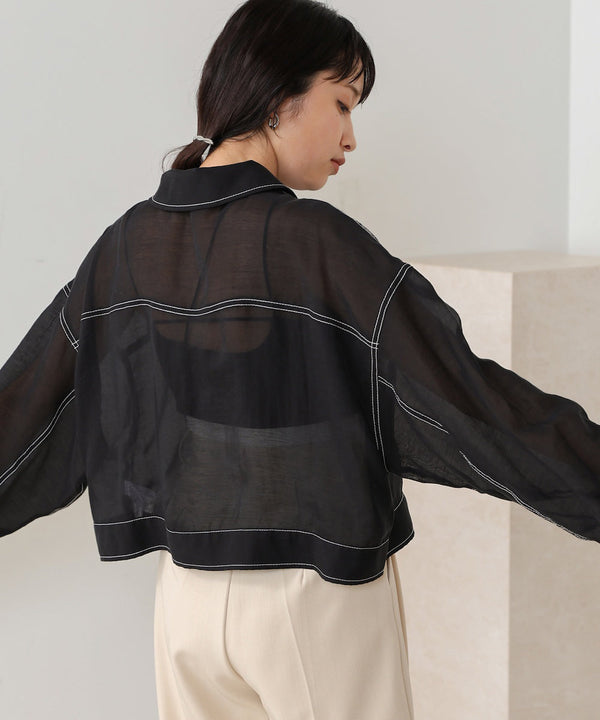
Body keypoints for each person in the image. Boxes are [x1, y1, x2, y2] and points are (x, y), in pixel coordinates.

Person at [1, 0, 599, 718]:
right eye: (342, 102)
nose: (351, 137)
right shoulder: (317, 244)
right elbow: (468, 404)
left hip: (186, 601)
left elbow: (27, 410)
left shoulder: (126, 245)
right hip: (315, 600)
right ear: (277, 96)